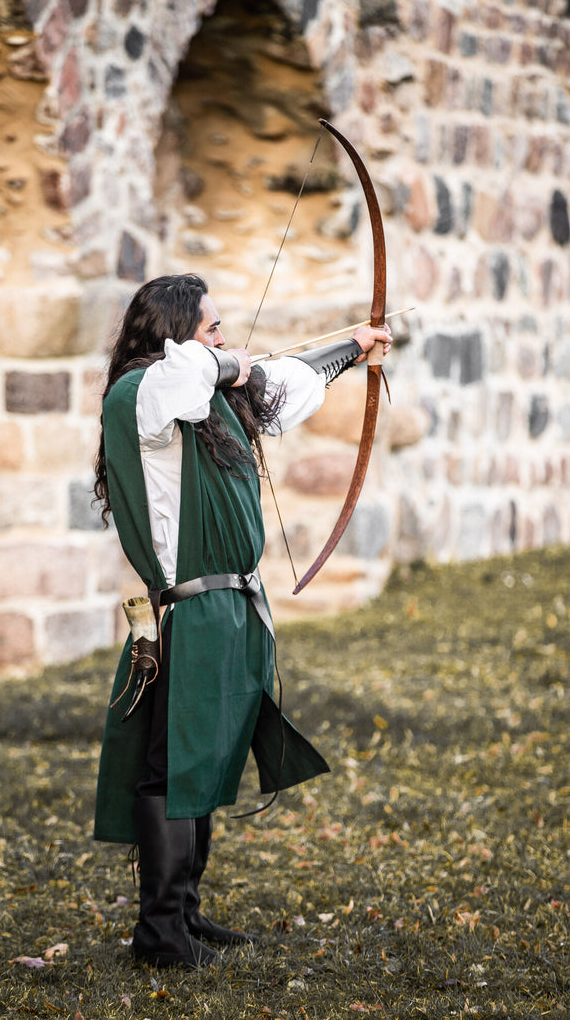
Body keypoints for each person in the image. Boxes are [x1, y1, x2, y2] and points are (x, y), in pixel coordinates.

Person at [92, 273, 392, 969]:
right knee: (173, 764)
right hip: (189, 610)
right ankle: (159, 934)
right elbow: (192, 372)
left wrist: (353, 347)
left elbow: (286, 383)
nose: (222, 337)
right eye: (211, 326)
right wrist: (229, 362)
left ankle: (185, 913)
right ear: (174, 333)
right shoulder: (143, 395)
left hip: (230, 608)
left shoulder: (211, 396)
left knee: (205, 756)